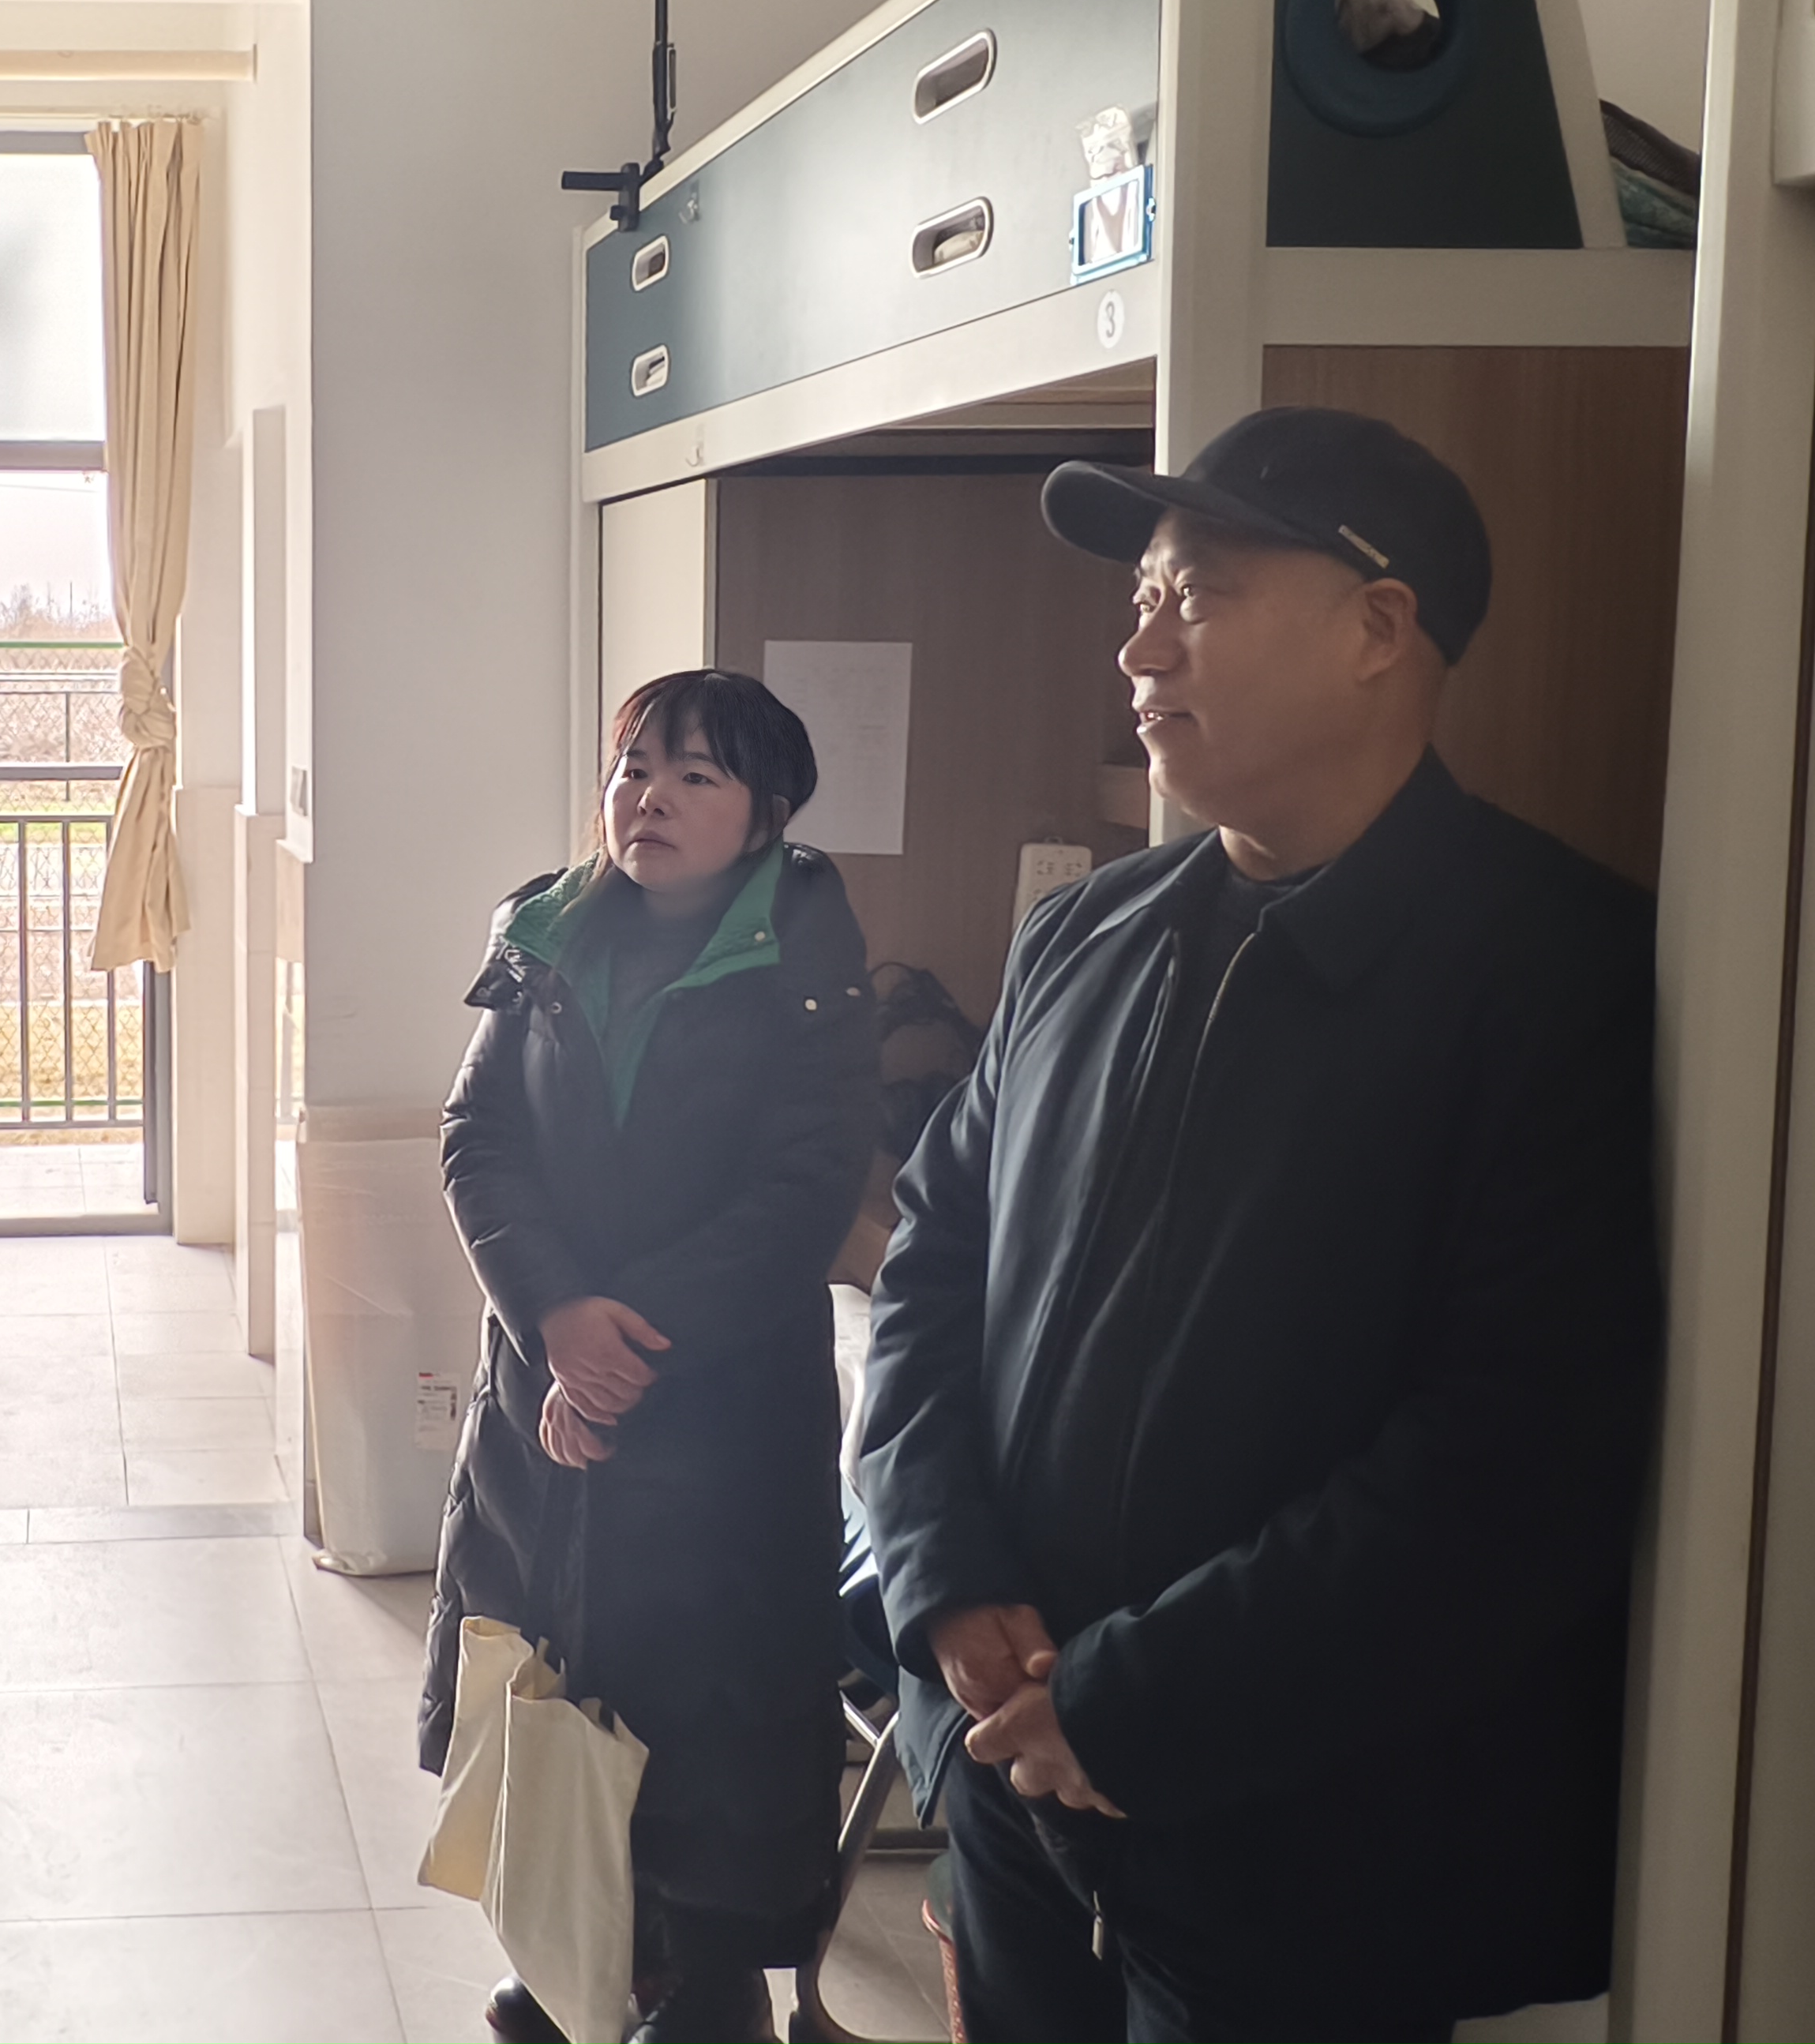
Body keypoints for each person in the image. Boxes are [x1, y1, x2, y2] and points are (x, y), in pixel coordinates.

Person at [858, 408, 1661, 2043]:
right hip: (1014, 1788)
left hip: (1309, 1855)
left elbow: (1518, 1458)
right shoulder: (1086, 935)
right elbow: (934, 1260)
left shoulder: (1555, 972)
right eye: (1142, 597)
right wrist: (942, 1574)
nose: (1139, 646)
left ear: (1380, 628)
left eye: (1199, 595)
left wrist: (1133, 1704)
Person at [425, 669, 881, 2044]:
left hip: (718, 1408)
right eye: (634, 769)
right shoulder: (547, 928)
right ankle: (574, 1940)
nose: (651, 799)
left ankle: (705, 1976)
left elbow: (802, 1191)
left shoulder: (807, 960)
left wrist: (622, 1353)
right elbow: (477, 1138)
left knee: (706, 1697)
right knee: (561, 1663)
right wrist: (555, 1318)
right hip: (545, 1387)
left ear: (766, 811)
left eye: (695, 775)